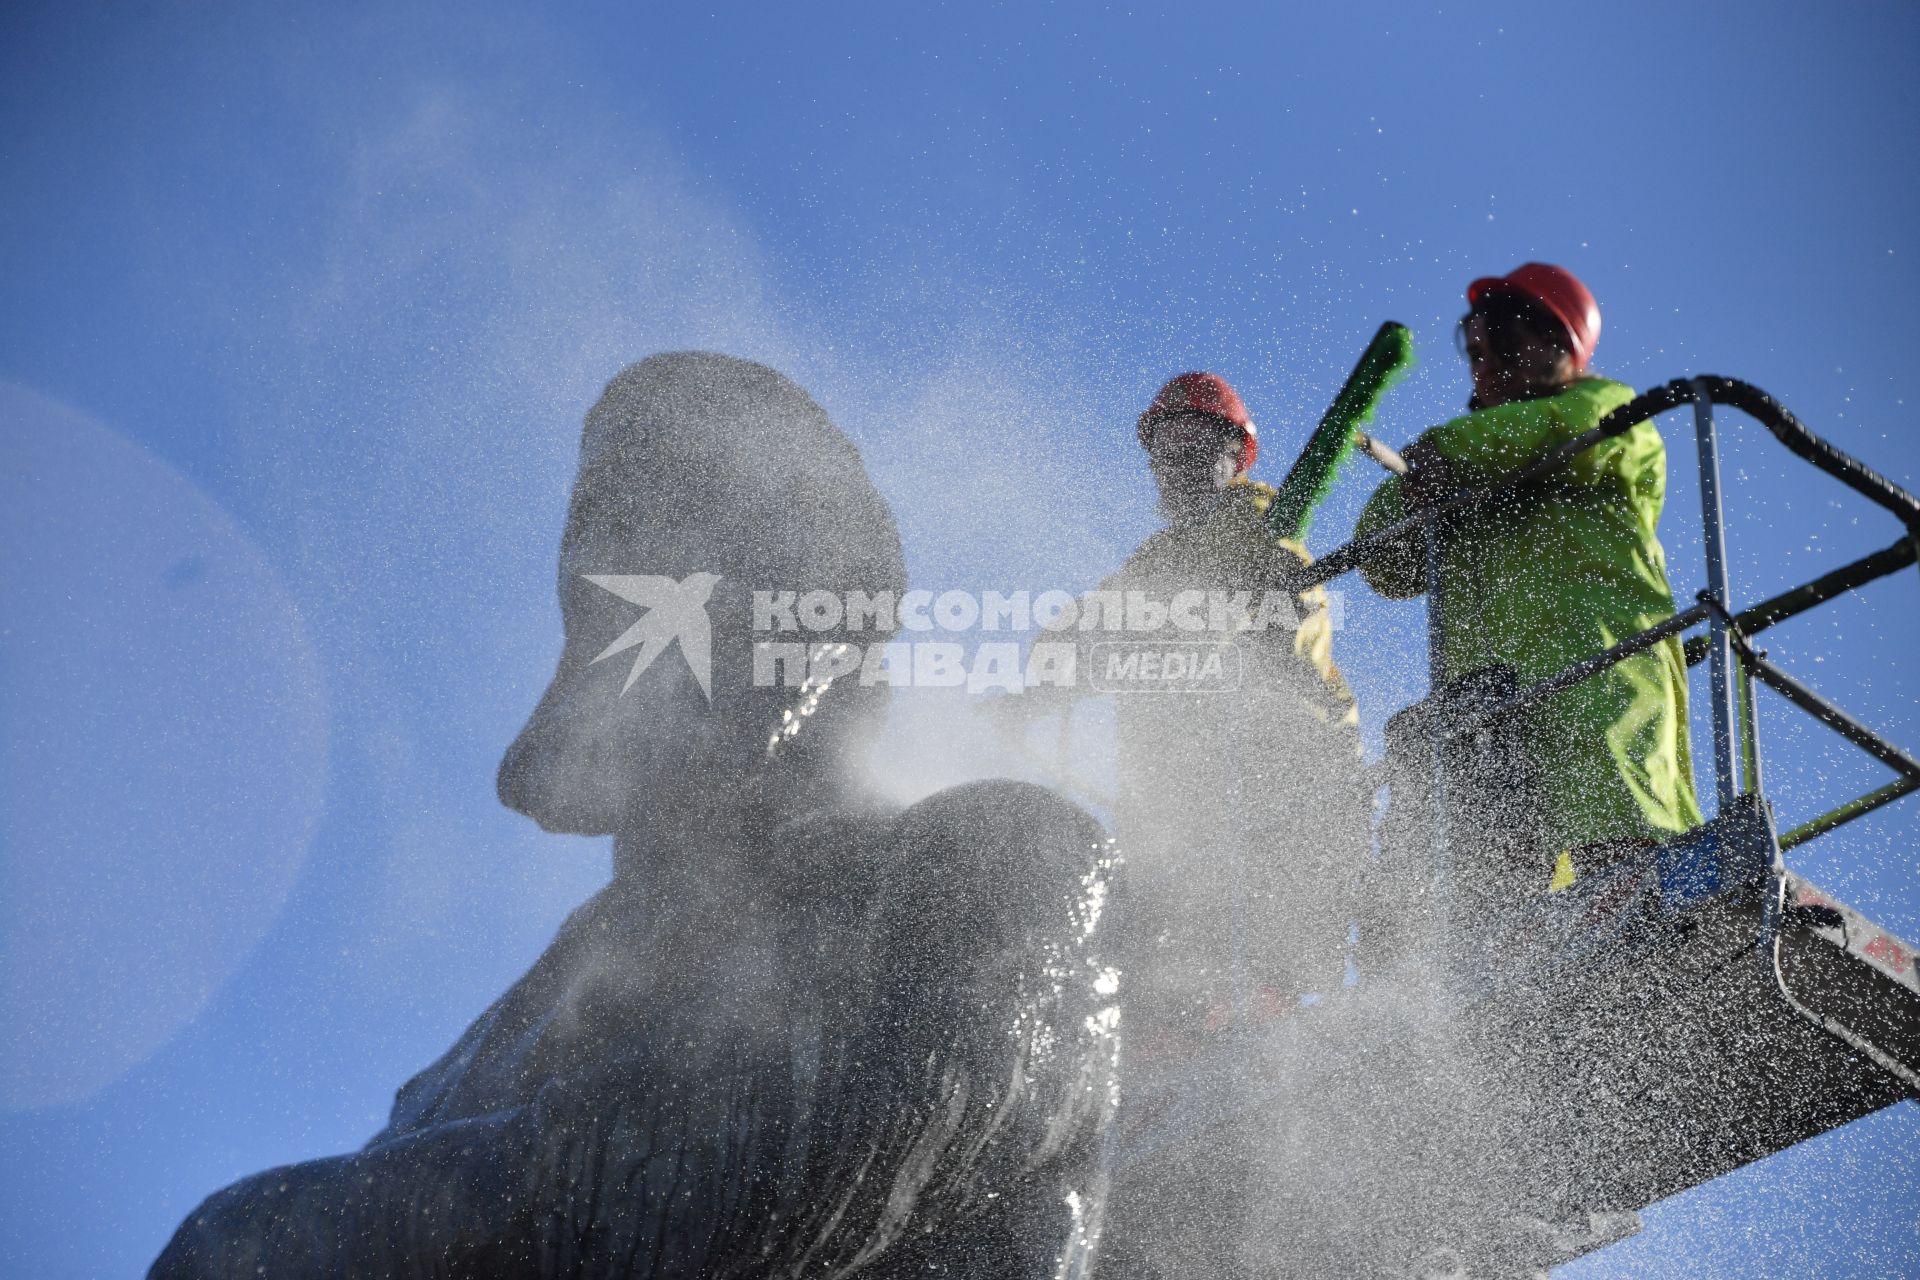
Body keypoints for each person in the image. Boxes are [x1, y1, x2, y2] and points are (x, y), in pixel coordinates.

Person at [151, 353, 1120, 1278]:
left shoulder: (1004, 857)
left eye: (738, 560)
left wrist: (284, 1224)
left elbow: (787, 1161)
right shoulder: (502, 1036)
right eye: (622, 539)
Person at [1087, 372, 1372, 1280]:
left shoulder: (1267, 532)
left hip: (1288, 775)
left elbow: (1293, 644)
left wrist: (1265, 605)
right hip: (1184, 798)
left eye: (1191, 444)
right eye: (1161, 447)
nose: (1172, 462)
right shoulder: (1150, 566)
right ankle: (1176, 1038)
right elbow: (1084, 632)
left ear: (1233, 453)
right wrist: (1039, 678)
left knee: (1271, 916)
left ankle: (1259, 1013)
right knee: (1167, 918)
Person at [1354, 263, 1704, 906]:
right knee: (1483, 873)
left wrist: (1447, 457)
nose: (1485, 364)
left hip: (1596, 664)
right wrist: (1417, 492)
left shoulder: (1607, 413)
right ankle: (1488, 934)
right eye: (1476, 347)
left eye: (1505, 345)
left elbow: (1555, 431)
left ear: (1560, 347)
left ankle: (1639, 896)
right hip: (1489, 700)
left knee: (1612, 797)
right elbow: (1383, 564)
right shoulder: (1467, 467)